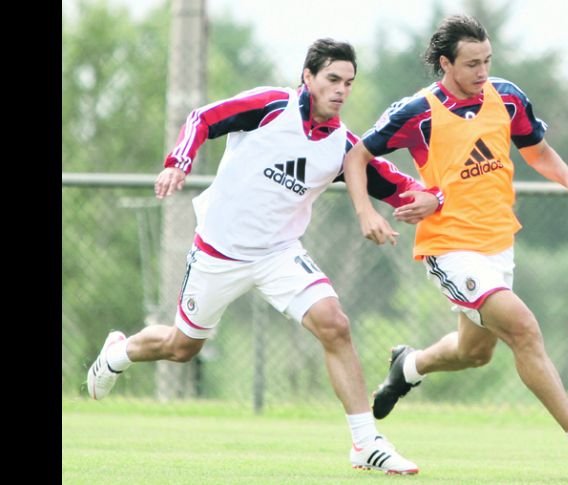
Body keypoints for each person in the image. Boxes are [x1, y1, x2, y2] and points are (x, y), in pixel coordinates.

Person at [86, 38, 443, 475]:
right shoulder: (271, 106)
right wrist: (178, 161)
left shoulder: (344, 147)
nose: (341, 90)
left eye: (348, 82)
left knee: (335, 325)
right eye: (332, 79)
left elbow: (398, 183)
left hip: (279, 255)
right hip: (218, 252)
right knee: (182, 347)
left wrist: (433, 198)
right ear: (307, 77)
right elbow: (203, 118)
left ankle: (365, 443)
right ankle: (119, 353)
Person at [343, 15, 568, 471]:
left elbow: (535, 149)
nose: (482, 71)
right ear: (445, 63)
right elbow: (356, 155)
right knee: (523, 328)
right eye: (471, 64)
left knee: (475, 353)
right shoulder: (418, 111)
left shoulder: (506, 97)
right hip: (449, 246)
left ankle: (407, 367)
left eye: (487, 60)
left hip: (497, 242)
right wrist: (368, 212)